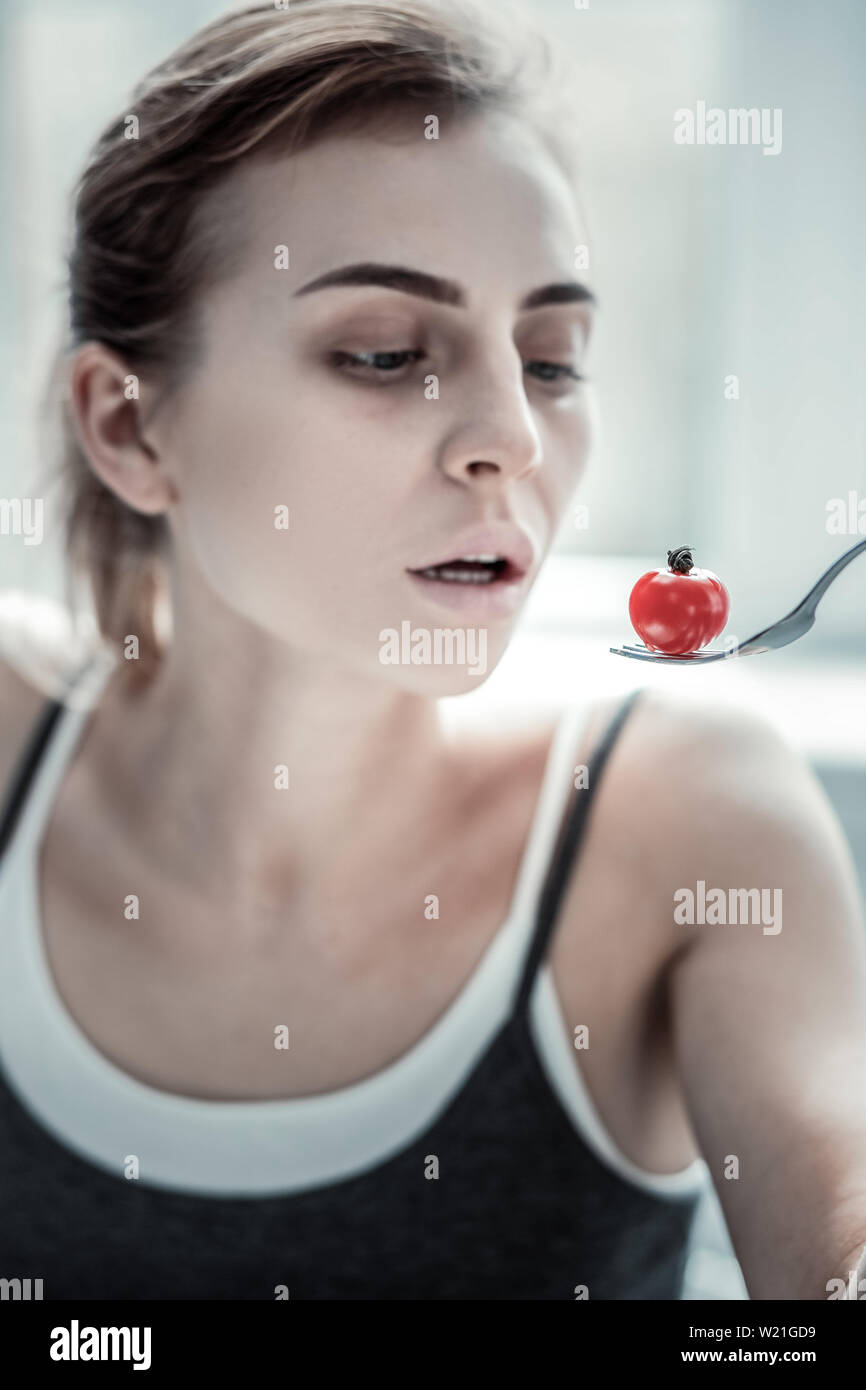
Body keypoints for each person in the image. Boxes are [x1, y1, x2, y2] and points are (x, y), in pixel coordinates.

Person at [1, 0, 864, 1301]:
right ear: (128, 425)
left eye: (552, 359)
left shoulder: (686, 816)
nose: (510, 436)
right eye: (386, 352)